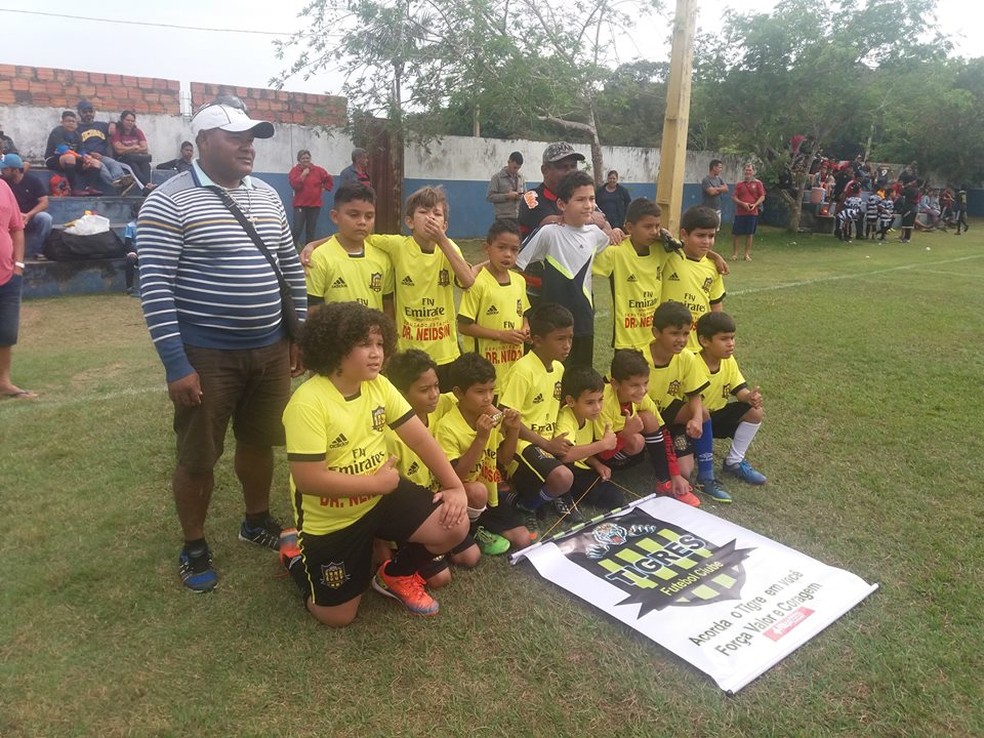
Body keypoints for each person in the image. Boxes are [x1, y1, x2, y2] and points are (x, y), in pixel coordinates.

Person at [138, 98, 307, 593]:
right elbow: (155, 289)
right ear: (204, 141)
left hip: (270, 348)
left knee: (259, 440)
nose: (248, 146)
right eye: (236, 137)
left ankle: (255, 519)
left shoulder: (267, 195)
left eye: (252, 138)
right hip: (206, 357)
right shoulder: (167, 201)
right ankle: (193, 545)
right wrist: (176, 365)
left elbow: (289, 266)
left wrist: (294, 333)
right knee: (198, 456)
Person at [281, 302, 468, 626]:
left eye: (380, 344)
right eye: (364, 344)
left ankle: (394, 574)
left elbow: (420, 439)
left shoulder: (379, 385)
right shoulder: (308, 402)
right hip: (332, 518)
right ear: (335, 347)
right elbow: (309, 478)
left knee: (455, 524)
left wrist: (455, 487)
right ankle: (297, 558)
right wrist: (374, 484)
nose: (376, 353)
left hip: (382, 497)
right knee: (337, 617)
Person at [433, 352, 529, 552]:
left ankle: (481, 521)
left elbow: (504, 458)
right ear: (459, 393)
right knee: (477, 491)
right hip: (463, 495)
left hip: (487, 492)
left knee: (523, 539)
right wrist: (480, 439)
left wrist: (514, 429)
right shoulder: (447, 427)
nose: (488, 398)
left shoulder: (489, 417)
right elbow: (454, 476)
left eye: (491, 390)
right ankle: (471, 530)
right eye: (480, 391)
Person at [516, 170, 610, 368]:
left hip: (583, 322)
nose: (588, 205)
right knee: (552, 381)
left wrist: (616, 231)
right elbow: (516, 261)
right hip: (552, 324)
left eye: (592, 199)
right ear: (561, 204)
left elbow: (616, 245)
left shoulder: (596, 234)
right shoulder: (549, 233)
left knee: (580, 382)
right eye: (580, 199)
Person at [498, 302, 576, 527]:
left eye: (570, 338)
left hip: (548, 440)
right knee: (563, 478)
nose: (567, 345)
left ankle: (550, 496)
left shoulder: (559, 368)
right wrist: (547, 445)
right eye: (560, 339)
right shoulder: (523, 371)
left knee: (577, 462)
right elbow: (508, 420)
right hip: (523, 444)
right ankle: (528, 503)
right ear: (538, 340)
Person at [593, 350, 697, 506]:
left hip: (623, 449)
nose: (642, 390)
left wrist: (675, 474)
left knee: (649, 418)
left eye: (645, 383)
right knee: (636, 440)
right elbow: (603, 453)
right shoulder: (602, 404)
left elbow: (664, 433)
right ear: (614, 384)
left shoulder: (640, 397)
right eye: (634, 385)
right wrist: (626, 434)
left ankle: (664, 481)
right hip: (602, 458)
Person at [644, 301, 713, 504]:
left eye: (685, 333)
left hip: (668, 412)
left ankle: (707, 472)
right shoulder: (639, 357)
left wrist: (697, 419)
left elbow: (694, 394)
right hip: (643, 416)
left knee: (685, 470)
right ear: (656, 332)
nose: (681, 340)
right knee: (645, 421)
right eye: (675, 333)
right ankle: (660, 468)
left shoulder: (686, 358)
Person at [696, 311, 767, 488]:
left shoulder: (728, 360)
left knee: (755, 412)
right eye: (724, 339)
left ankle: (733, 462)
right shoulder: (693, 363)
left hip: (717, 416)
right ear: (704, 341)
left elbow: (739, 389)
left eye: (732, 338)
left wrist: (749, 397)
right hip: (696, 420)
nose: (731, 344)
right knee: (686, 467)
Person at [593, 198, 674, 352]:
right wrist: (607, 235)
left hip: (655, 337)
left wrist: (715, 257)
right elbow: (583, 260)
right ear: (629, 227)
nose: (654, 231)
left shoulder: (662, 249)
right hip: (626, 341)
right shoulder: (616, 252)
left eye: (657, 226)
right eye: (648, 226)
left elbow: (690, 249)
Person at [457, 219, 530, 383]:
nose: (508, 254)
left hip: (512, 367)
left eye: (514, 250)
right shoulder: (476, 283)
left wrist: (526, 328)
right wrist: (500, 335)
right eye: (501, 247)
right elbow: (464, 326)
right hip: (483, 371)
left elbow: (523, 313)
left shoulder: (519, 281)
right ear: (487, 249)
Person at [304, 182, 391, 311]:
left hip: (374, 331)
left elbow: (388, 306)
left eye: (369, 216)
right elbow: (313, 310)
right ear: (335, 216)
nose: (362, 222)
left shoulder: (382, 257)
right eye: (354, 215)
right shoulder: (318, 258)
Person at [553, 366, 623, 511]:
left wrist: (597, 464)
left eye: (600, 400)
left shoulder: (590, 415)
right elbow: (565, 455)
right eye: (590, 402)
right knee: (608, 497)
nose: (597, 407)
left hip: (581, 467)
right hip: (565, 468)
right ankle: (561, 496)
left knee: (614, 498)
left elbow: (582, 449)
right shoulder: (566, 418)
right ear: (571, 401)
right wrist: (603, 444)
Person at [661, 205, 726, 352]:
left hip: (697, 345)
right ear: (684, 234)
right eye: (701, 235)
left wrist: (717, 335)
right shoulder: (669, 256)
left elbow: (716, 305)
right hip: (667, 342)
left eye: (711, 236)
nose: (707, 241)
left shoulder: (713, 267)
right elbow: (647, 238)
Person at [0, 175, 35, 400]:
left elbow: (16, 227)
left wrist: (19, 265)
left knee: (6, 332)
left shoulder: (3, 187)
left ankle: (3, 382)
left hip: (8, 274)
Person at [1, 154, 52, 261]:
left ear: (15, 170)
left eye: (6, 169)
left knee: (45, 218)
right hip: (10, 219)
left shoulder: (33, 181)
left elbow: (44, 202)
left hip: (29, 217)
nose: (2, 171)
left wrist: (28, 215)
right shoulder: (3, 182)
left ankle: (38, 251)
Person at [75, 100, 133, 195]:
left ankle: (121, 181)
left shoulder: (101, 125)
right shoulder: (76, 128)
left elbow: (118, 125)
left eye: (90, 111)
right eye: (85, 112)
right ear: (79, 113)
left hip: (102, 156)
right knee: (102, 167)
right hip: (87, 157)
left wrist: (113, 123)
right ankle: (118, 185)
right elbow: (75, 146)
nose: (88, 114)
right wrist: (88, 155)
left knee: (113, 163)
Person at [288, 149, 333, 247]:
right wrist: (303, 175)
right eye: (303, 158)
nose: (305, 160)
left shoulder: (319, 170)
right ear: (299, 160)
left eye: (307, 158)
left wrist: (324, 188)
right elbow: (294, 185)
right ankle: (291, 248)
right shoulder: (295, 171)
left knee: (311, 229)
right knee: (297, 228)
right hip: (300, 205)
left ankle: (308, 250)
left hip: (315, 204)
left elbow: (329, 179)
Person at [43, 110, 92, 195]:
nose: (71, 123)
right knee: (70, 157)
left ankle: (90, 187)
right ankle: (73, 189)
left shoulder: (77, 135)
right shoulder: (57, 131)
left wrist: (86, 157)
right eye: (68, 121)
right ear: (62, 122)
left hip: (71, 161)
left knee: (94, 162)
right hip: (53, 159)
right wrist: (80, 157)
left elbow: (81, 150)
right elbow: (63, 150)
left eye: (73, 121)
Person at [731, 163, 766, 260]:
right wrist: (742, 204)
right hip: (740, 212)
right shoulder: (739, 184)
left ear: (753, 172)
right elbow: (734, 197)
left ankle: (746, 254)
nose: (748, 172)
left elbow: (762, 196)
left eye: (750, 170)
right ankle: (735, 253)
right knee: (736, 233)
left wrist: (755, 205)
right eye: (746, 170)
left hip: (752, 213)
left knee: (750, 234)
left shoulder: (758, 184)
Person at [110, 110, 153, 189]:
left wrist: (127, 149)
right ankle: (146, 185)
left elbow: (145, 148)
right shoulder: (117, 132)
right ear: (122, 120)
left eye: (132, 121)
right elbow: (119, 150)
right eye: (128, 120)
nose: (130, 123)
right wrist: (134, 147)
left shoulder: (138, 132)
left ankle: (148, 185)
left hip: (137, 157)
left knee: (146, 163)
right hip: (122, 160)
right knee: (132, 164)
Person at [486, 151, 525, 225]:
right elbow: (489, 197)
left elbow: (525, 194)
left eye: (518, 168)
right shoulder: (497, 178)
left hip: (518, 217)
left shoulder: (521, 177)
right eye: (514, 167)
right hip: (503, 218)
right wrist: (507, 196)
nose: (516, 170)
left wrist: (521, 196)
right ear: (508, 162)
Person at [701, 159, 729, 226]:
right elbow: (711, 192)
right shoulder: (706, 180)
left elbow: (726, 189)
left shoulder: (719, 179)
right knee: (707, 227)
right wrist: (720, 189)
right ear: (714, 167)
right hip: (708, 210)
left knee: (716, 229)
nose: (720, 169)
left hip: (717, 209)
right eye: (719, 167)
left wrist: (716, 189)